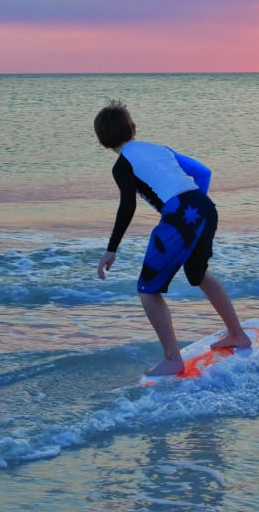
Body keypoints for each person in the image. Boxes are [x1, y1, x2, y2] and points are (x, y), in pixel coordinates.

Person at [93, 100, 250, 378]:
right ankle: (237, 334)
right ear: (133, 128)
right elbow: (203, 173)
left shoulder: (122, 165)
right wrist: (193, 208)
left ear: (103, 142)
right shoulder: (160, 150)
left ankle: (172, 358)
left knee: (147, 289)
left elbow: (127, 206)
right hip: (204, 207)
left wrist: (111, 249)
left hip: (181, 217)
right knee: (198, 272)